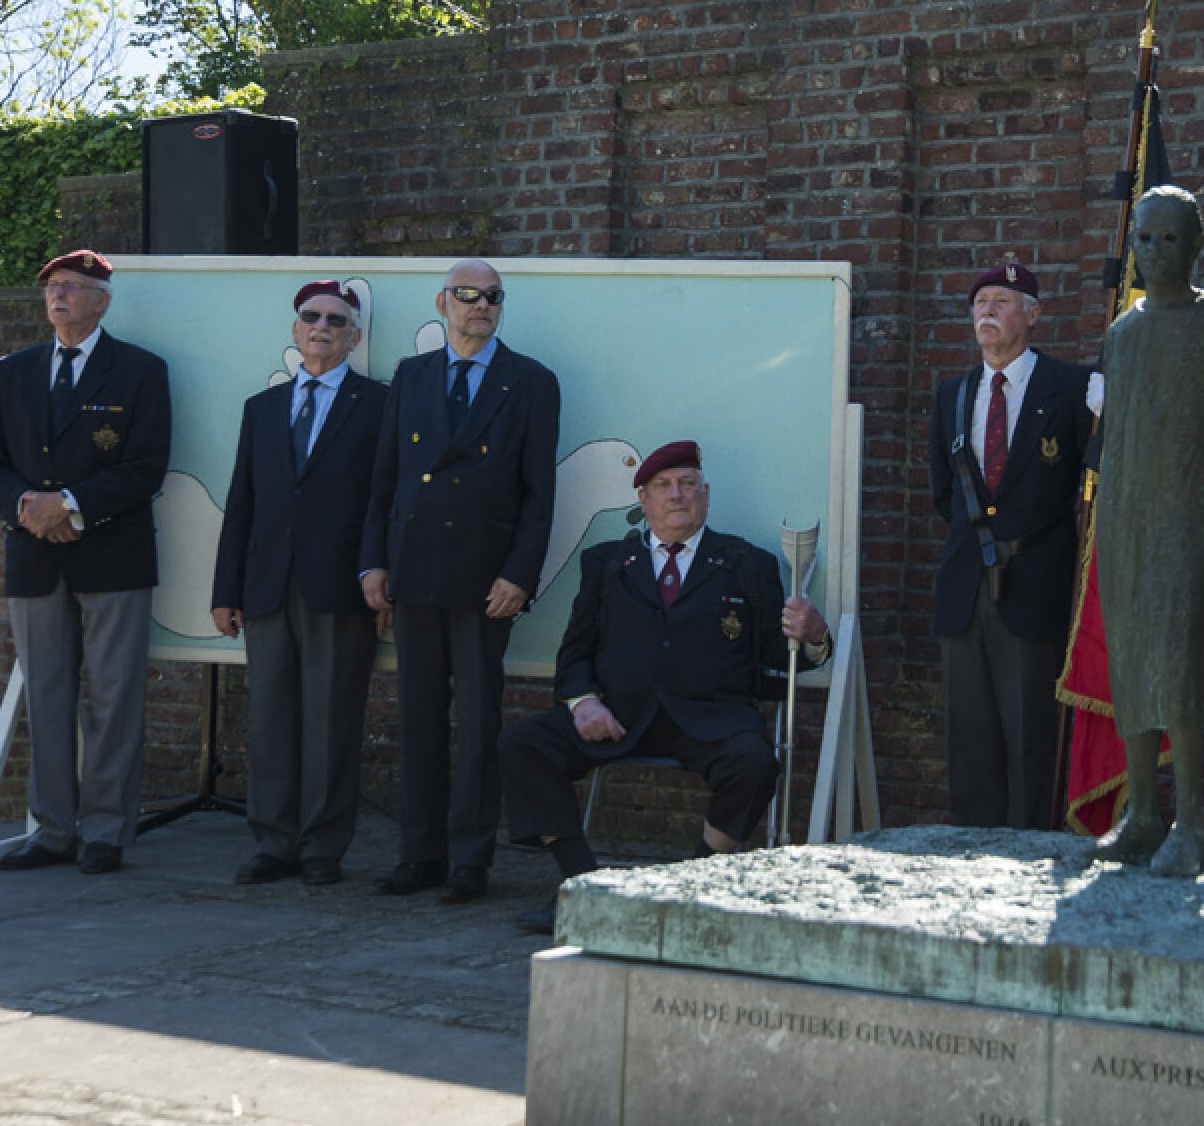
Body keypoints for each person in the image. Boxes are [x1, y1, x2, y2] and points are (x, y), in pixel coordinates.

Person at [499, 440, 830, 934]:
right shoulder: (608, 563)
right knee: (521, 743)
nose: (676, 495)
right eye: (662, 486)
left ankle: (689, 890)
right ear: (644, 500)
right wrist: (584, 703)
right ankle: (584, 886)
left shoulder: (746, 563)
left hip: (711, 721)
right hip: (620, 716)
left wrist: (816, 637)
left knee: (756, 763)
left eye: (687, 484)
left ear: (705, 495)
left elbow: (777, 661)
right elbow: (575, 654)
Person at [361, 259, 559, 903]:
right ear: (442, 301)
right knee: (417, 720)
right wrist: (374, 562)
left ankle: (470, 861)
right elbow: (385, 480)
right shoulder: (412, 374)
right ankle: (420, 854)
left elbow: (538, 495)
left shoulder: (530, 381)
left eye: (493, 296)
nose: (481, 305)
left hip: (484, 580)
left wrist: (519, 575)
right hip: (415, 569)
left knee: (477, 726)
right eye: (468, 294)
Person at [0, 249, 172, 875]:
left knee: (114, 699)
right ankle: (53, 830)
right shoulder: (12, 372)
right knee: (47, 699)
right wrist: (29, 507)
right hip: (33, 556)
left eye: (74, 287)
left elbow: (145, 466)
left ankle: (105, 833)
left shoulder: (141, 371)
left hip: (113, 556)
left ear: (102, 301)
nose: (59, 296)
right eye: (53, 287)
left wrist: (71, 505)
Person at [211, 280, 386, 887]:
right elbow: (243, 501)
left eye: (336, 321)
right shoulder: (262, 408)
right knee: (270, 719)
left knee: (331, 720)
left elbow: (383, 500)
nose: (322, 327)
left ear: (354, 338)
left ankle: (321, 847)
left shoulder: (379, 404)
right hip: (266, 585)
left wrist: (377, 570)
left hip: (340, 585)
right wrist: (225, 590)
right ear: (295, 330)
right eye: (312, 317)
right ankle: (273, 843)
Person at [1088, 187, 1204, 878]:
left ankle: (1191, 822)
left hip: (1184, 516)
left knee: (1178, 669)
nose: (1154, 251)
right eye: (1143, 239)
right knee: (1133, 667)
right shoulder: (1124, 332)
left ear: (1196, 245)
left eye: (1169, 238)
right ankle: (1142, 812)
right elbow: (1116, 437)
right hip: (1126, 517)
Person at [928, 262, 1095, 829]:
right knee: (969, 742)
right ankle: (972, 853)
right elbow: (945, 493)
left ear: (1032, 314)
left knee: (1033, 741)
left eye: (1001, 300)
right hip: (966, 588)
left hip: (1035, 588)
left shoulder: (1070, 387)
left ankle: (1027, 853)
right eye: (979, 302)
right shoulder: (952, 395)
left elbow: (1092, 479)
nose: (987, 311)